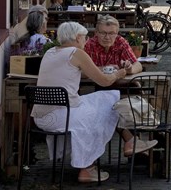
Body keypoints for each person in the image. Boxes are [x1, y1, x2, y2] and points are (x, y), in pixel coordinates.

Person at [32, 21, 156, 183]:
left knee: (103, 101)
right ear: (77, 38)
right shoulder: (76, 52)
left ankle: (130, 142)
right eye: (84, 38)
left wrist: (100, 70)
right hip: (65, 115)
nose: (85, 41)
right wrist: (119, 73)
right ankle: (88, 168)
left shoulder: (51, 53)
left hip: (42, 118)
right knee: (112, 98)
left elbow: (75, 72)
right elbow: (104, 81)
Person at [84, 15, 163, 152]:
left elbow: (137, 64)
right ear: (96, 33)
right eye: (103, 33)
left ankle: (148, 138)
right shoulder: (90, 45)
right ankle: (136, 143)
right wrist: (99, 70)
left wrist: (129, 68)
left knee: (138, 96)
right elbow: (82, 71)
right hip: (100, 89)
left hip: (122, 87)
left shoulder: (120, 42)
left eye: (111, 33)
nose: (107, 37)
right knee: (110, 108)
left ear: (117, 33)